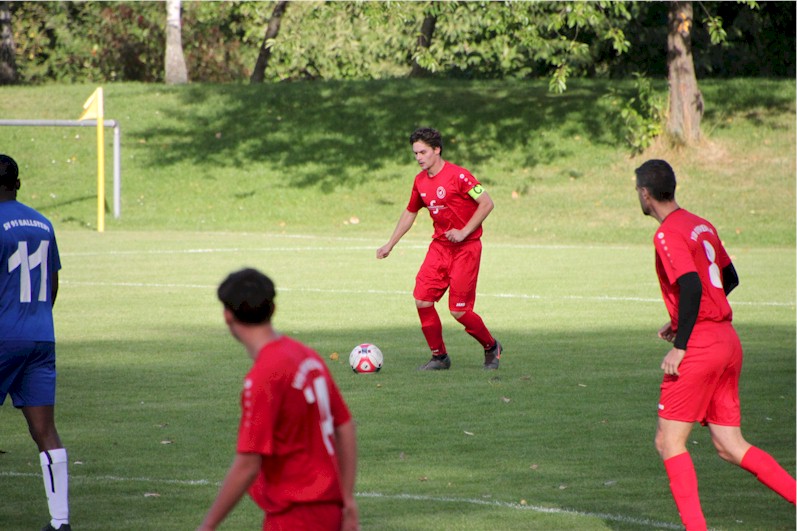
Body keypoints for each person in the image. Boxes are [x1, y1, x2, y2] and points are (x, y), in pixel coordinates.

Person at [635, 159, 795, 530]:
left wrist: (683, 342)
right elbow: (728, 278)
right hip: (727, 340)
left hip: (703, 347)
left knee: (668, 443)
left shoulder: (667, 233)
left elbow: (691, 285)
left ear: (645, 193)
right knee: (729, 445)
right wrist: (681, 320)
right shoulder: (700, 224)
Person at [197, 268, 359, 531]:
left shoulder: (263, 376)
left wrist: (207, 526)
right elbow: (345, 426)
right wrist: (348, 498)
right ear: (272, 309)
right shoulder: (305, 355)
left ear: (227, 315)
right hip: (329, 510)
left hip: (295, 516)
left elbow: (248, 464)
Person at [377, 127, 502, 371]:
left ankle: (491, 346)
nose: (419, 157)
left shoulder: (460, 176)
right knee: (422, 300)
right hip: (440, 248)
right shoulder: (420, 181)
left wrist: (464, 232)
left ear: (437, 149)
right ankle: (439, 357)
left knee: (458, 311)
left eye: (423, 152)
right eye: (415, 153)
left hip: (466, 249)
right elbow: (410, 211)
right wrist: (390, 243)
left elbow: (486, 203)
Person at [0, 155, 71, 531]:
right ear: (18, 183)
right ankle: (61, 521)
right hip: (41, 335)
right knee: (45, 430)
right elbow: (54, 282)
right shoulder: (43, 223)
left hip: (3, 335)